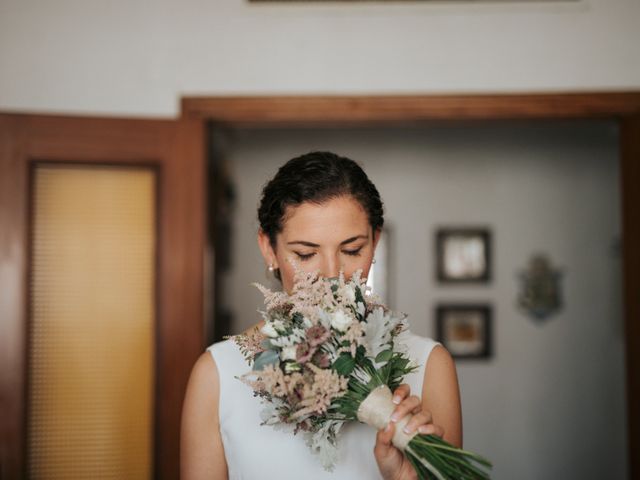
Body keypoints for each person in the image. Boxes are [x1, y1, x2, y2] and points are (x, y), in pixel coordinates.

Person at [181, 151, 462, 479]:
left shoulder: (428, 365)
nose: (332, 275)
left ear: (375, 241)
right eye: (305, 253)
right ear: (268, 248)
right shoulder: (216, 374)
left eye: (352, 250)